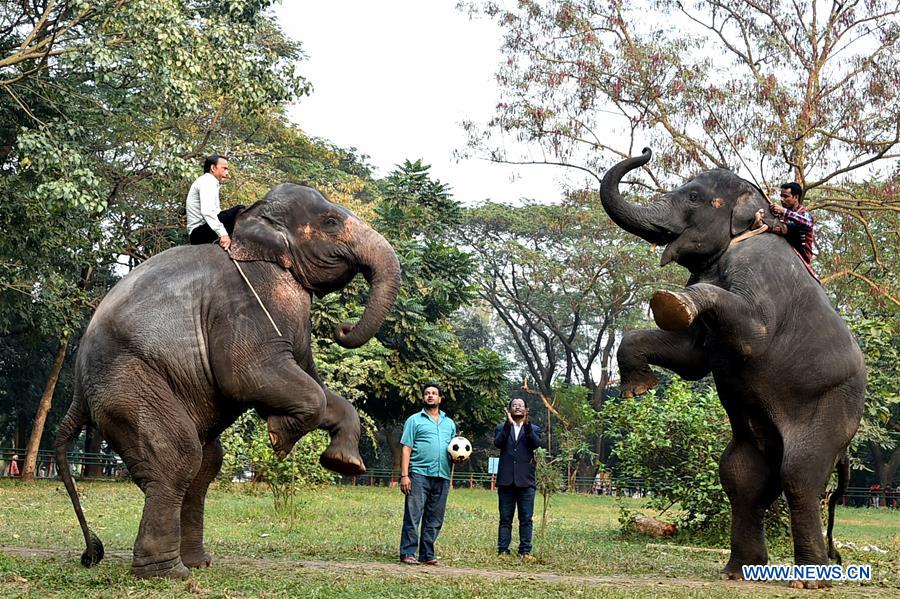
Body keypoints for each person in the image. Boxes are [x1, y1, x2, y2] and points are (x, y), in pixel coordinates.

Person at [398, 383, 458, 566]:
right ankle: (408, 552)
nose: (430, 396)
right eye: (427, 393)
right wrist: (404, 475)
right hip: (418, 474)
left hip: (443, 475)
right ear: (423, 398)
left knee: (435, 517)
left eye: (434, 393)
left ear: (440, 399)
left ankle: (427, 554)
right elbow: (406, 448)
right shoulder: (414, 420)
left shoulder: (450, 424)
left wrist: (453, 473)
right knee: (413, 514)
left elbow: (453, 451)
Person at [494, 397, 542, 560]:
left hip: (526, 481)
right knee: (505, 518)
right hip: (506, 480)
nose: (517, 408)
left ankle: (525, 550)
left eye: (521, 405)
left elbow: (535, 444)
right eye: (514, 405)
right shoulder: (501, 427)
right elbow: (498, 443)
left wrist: (527, 426)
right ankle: (503, 549)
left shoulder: (534, 428)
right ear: (510, 410)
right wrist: (508, 425)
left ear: (526, 410)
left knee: (526, 518)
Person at [185, 154, 239, 249]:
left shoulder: (209, 182)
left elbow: (216, 213)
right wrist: (223, 234)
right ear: (213, 168)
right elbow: (207, 212)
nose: (227, 173)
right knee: (240, 209)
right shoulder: (207, 181)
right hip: (199, 233)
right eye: (224, 169)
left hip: (201, 231)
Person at [769, 182, 814, 264]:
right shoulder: (781, 215)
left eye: (785, 197)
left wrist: (784, 211)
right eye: (781, 196)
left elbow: (808, 223)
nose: (782, 200)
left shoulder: (804, 213)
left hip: (801, 255)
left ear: (796, 197)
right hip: (784, 251)